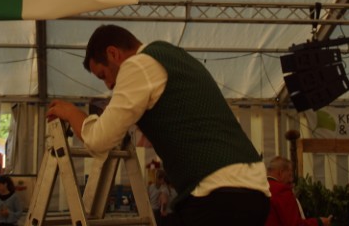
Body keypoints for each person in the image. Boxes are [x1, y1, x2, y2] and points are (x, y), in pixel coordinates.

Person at [46, 25, 270, 225]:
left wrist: (72, 113)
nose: (109, 85)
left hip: (217, 194)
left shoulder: (138, 66)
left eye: (103, 75)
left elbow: (99, 140)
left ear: (113, 53)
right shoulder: (171, 56)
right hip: (253, 191)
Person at [265, 156, 332, 226]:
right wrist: (319, 222)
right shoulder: (281, 190)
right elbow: (294, 224)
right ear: (281, 172)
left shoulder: (260, 189)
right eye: (289, 175)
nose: (291, 180)